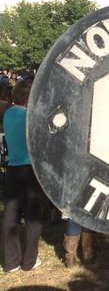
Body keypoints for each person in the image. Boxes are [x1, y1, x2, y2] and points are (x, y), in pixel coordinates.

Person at [2, 79, 43, 273]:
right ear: (29, 97)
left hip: (13, 169)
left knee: (11, 215)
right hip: (31, 169)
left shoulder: (8, 114)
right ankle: (29, 261)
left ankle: (11, 262)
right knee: (33, 217)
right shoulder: (32, 117)